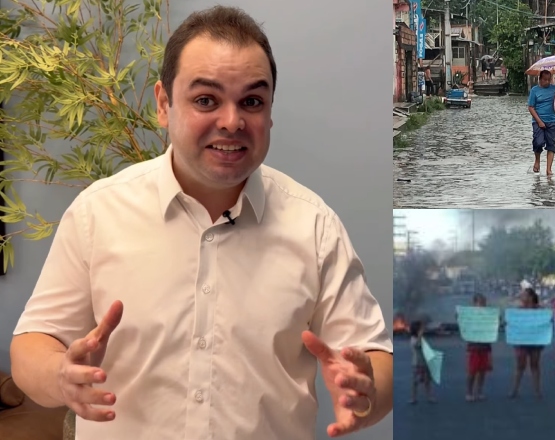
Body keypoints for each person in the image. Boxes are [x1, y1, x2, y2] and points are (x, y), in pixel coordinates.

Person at [9, 6, 393, 440]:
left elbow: (374, 357)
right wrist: (60, 374)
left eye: (251, 101)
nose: (232, 121)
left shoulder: (315, 226)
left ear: (269, 112)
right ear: (163, 104)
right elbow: (31, 345)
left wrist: (367, 390)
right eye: (206, 100)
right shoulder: (98, 212)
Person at [527, 70, 555, 176]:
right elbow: (530, 107)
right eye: (545, 80)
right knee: (538, 143)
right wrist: (539, 121)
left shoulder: (554, 89)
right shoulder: (534, 91)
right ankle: (537, 161)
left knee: (551, 145)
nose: (547, 82)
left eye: (549, 80)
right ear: (540, 79)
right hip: (538, 121)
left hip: (552, 121)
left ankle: (549, 169)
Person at [510, 288, 544, 399]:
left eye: (524, 295)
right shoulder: (518, 310)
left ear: (530, 297)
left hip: (535, 341)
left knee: (535, 365)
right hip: (521, 342)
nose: (521, 297)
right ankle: (514, 390)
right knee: (520, 366)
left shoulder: (540, 310)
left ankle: (537, 391)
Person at [465, 294, 493, 402]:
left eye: (484, 303)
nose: (483, 305)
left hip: (485, 347)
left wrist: (496, 320)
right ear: (474, 303)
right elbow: (461, 320)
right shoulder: (469, 315)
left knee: (482, 371)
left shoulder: (488, 315)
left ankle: (479, 391)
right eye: (480, 302)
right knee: (472, 371)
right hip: (473, 348)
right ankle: (469, 392)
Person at [409, 321, 436, 404]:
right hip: (417, 363)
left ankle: (430, 397)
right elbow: (417, 345)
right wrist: (420, 335)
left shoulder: (422, 338)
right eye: (421, 328)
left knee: (427, 381)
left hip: (425, 362)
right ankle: (413, 398)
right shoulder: (413, 339)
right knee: (415, 381)